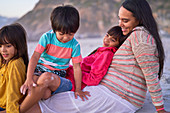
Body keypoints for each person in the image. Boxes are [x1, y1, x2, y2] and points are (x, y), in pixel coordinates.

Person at [19, 0, 170, 113]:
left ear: (140, 19)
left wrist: (160, 109)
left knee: (50, 105)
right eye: (119, 19)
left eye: (125, 20)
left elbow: (151, 76)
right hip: (109, 91)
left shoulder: (141, 37)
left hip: (118, 96)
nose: (120, 24)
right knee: (45, 95)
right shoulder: (134, 36)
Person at [19, 5, 89, 113]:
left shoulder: (75, 45)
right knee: (44, 93)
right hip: (39, 71)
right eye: (61, 34)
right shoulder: (47, 38)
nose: (65, 38)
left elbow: (76, 68)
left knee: (46, 78)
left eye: (70, 34)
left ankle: (16, 111)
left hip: (57, 76)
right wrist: (28, 79)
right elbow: (34, 57)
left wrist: (78, 89)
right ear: (54, 28)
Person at [66, 26, 125, 91]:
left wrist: (76, 72)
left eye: (112, 40)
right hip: (72, 75)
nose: (106, 40)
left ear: (118, 44)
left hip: (74, 81)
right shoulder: (102, 51)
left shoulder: (107, 54)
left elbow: (93, 79)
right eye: (107, 35)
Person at [0, 23, 29, 113]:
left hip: (5, 107)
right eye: (0, 46)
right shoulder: (4, 61)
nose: (3, 50)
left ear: (19, 45)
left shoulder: (15, 64)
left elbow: (13, 93)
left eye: (8, 46)